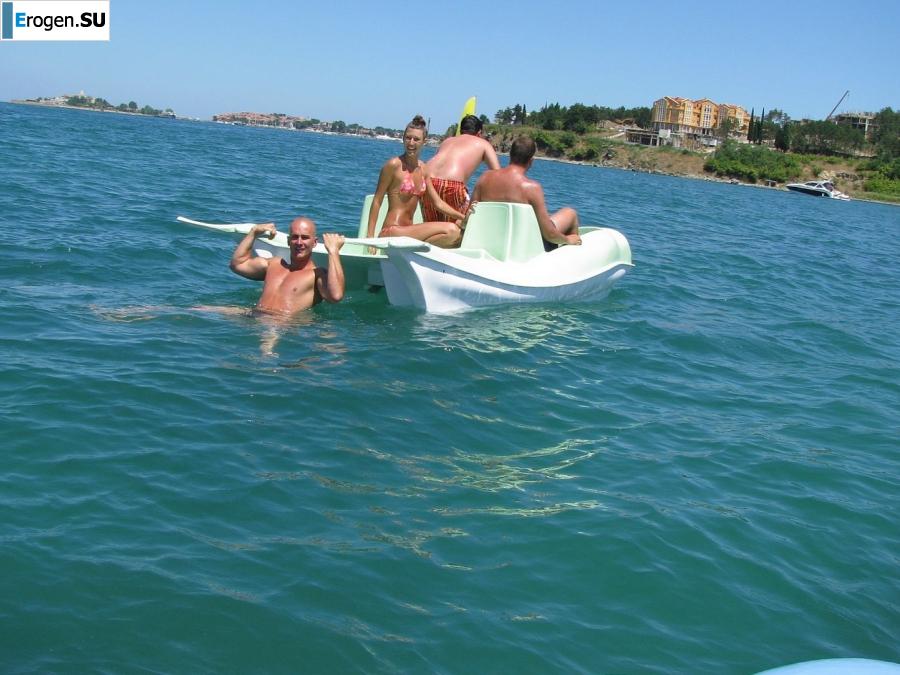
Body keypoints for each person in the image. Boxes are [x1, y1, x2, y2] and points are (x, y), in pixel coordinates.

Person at [367, 115, 470, 248]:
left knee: (456, 236)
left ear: (424, 142)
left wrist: (463, 217)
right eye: (408, 138)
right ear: (403, 139)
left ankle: (416, 247)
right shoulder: (393, 165)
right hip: (392, 231)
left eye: (416, 139)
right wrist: (370, 239)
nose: (411, 143)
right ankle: (417, 247)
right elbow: (377, 200)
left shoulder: (424, 169)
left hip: (409, 231)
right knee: (452, 230)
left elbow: (437, 203)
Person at [471, 135, 582, 250]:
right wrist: (568, 240)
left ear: (510, 155)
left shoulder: (484, 178)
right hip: (523, 247)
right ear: (531, 161)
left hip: (489, 240)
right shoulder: (532, 188)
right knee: (570, 213)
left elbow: (470, 215)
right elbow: (550, 235)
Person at [229, 217, 345, 314]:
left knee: (268, 338)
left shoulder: (317, 275)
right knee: (211, 311)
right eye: (295, 237)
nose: (299, 242)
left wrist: (333, 252)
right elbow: (237, 264)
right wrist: (254, 232)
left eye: (304, 237)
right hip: (253, 313)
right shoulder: (274, 264)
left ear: (314, 242)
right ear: (288, 241)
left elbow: (335, 296)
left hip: (279, 326)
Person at [421, 114, 500, 222]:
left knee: (433, 225)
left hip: (426, 181)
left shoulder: (447, 141)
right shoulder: (484, 144)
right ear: (479, 133)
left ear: (461, 130)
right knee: (464, 224)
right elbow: (497, 174)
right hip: (452, 185)